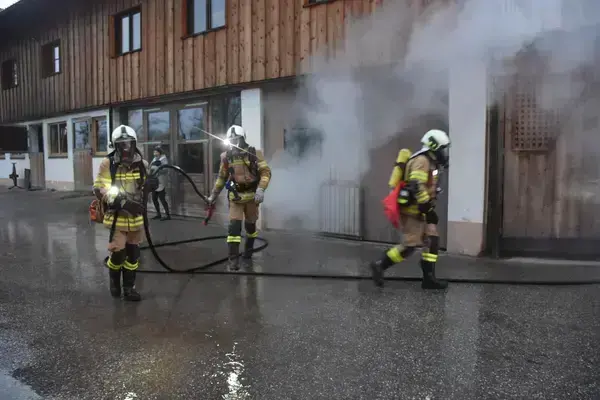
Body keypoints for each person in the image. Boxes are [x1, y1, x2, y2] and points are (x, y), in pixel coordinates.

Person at [370, 129, 451, 290]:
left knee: (432, 240)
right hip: (413, 211)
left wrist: (429, 207)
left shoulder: (430, 162)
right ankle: (380, 265)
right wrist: (427, 209)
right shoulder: (422, 161)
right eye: (442, 148)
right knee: (410, 246)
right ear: (434, 146)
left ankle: (428, 279)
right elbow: (416, 185)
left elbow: (426, 185)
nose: (444, 152)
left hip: (423, 210)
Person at [92, 125, 157, 301]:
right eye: (121, 144)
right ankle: (114, 281)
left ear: (134, 143)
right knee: (118, 253)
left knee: (133, 255)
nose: (125, 147)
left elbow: (146, 186)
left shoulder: (142, 164)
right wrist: (122, 202)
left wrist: (152, 185)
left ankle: (129, 288)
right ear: (115, 146)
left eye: (128, 143)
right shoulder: (109, 163)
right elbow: (100, 188)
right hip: (117, 217)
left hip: (137, 218)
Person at [207, 125, 272, 271]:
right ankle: (233, 260)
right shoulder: (226, 156)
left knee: (250, 226)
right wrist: (213, 195)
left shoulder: (255, 153)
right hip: (235, 198)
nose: (233, 142)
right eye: (231, 139)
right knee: (234, 228)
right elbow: (222, 178)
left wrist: (261, 189)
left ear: (242, 138)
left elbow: (266, 172)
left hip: (252, 198)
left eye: (236, 139)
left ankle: (248, 253)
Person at [149, 146, 171, 221]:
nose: (154, 153)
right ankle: (158, 214)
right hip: (154, 182)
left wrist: (157, 169)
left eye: (156, 152)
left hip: (161, 181)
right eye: (154, 152)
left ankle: (168, 215)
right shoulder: (154, 159)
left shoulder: (163, 160)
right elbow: (151, 167)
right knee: (154, 198)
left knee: (162, 199)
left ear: (159, 152)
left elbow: (165, 169)